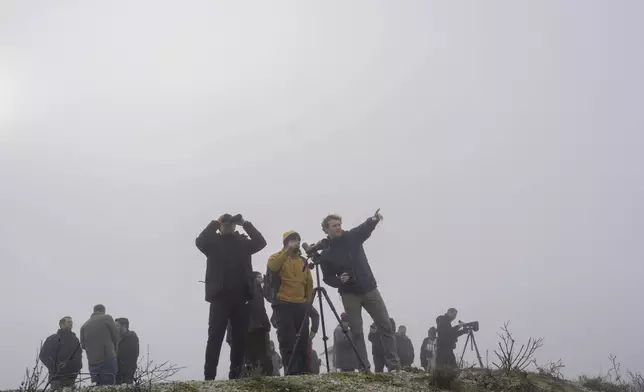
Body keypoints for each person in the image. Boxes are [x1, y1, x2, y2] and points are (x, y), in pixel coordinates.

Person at [319, 210, 399, 372]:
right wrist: (338, 281)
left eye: (339, 224)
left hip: (370, 289)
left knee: (385, 325)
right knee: (356, 332)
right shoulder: (326, 254)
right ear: (326, 230)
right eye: (334, 226)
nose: (338, 227)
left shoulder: (351, 237)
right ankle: (364, 368)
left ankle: (394, 366)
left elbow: (364, 228)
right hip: (349, 294)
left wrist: (374, 219)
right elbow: (327, 277)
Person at [195, 213, 267, 380]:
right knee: (215, 337)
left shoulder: (243, 243)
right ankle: (209, 377)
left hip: (241, 297)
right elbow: (200, 241)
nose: (228, 225)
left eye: (231, 223)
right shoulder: (212, 243)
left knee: (239, 338)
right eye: (225, 223)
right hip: (219, 297)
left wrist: (244, 223)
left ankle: (235, 375)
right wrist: (215, 222)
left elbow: (261, 242)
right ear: (220, 226)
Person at [266, 230, 313, 375]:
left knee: (304, 343)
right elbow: (273, 267)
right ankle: (292, 375)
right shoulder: (276, 257)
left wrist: (308, 303)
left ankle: (306, 374)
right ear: (286, 242)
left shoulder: (303, 261)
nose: (297, 242)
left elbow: (309, 283)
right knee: (288, 342)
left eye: (298, 240)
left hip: (301, 306)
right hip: (283, 305)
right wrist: (286, 251)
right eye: (293, 240)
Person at [39, 316, 83, 391]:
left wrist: (78, 367)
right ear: (61, 325)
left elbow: (79, 355)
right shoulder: (53, 339)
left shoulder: (75, 339)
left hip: (71, 378)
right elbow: (43, 355)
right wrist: (54, 367)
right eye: (68, 322)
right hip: (56, 378)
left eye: (71, 322)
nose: (71, 324)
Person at [80, 304, 120, 386]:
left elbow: (83, 345)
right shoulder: (107, 318)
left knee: (97, 387)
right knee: (109, 386)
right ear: (103, 311)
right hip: (107, 358)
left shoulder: (84, 326)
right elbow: (117, 336)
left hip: (92, 362)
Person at [243, 271, 273, 376]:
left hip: (247, 326)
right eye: (260, 277)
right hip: (257, 325)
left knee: (251, 354)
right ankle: (266, 375)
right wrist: (266, 322)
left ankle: (253, 374)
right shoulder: (255, 286)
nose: (262, 279)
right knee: (262, 352)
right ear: (255, 277)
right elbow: (259, 305)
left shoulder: (245, 286)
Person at [114, 318, 139, 385]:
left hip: (127, 371)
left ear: (124, 326)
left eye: (117, 326)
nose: (115, 328)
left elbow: (134, 354)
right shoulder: (117, 338)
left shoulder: (131, 337)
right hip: (116, 370)